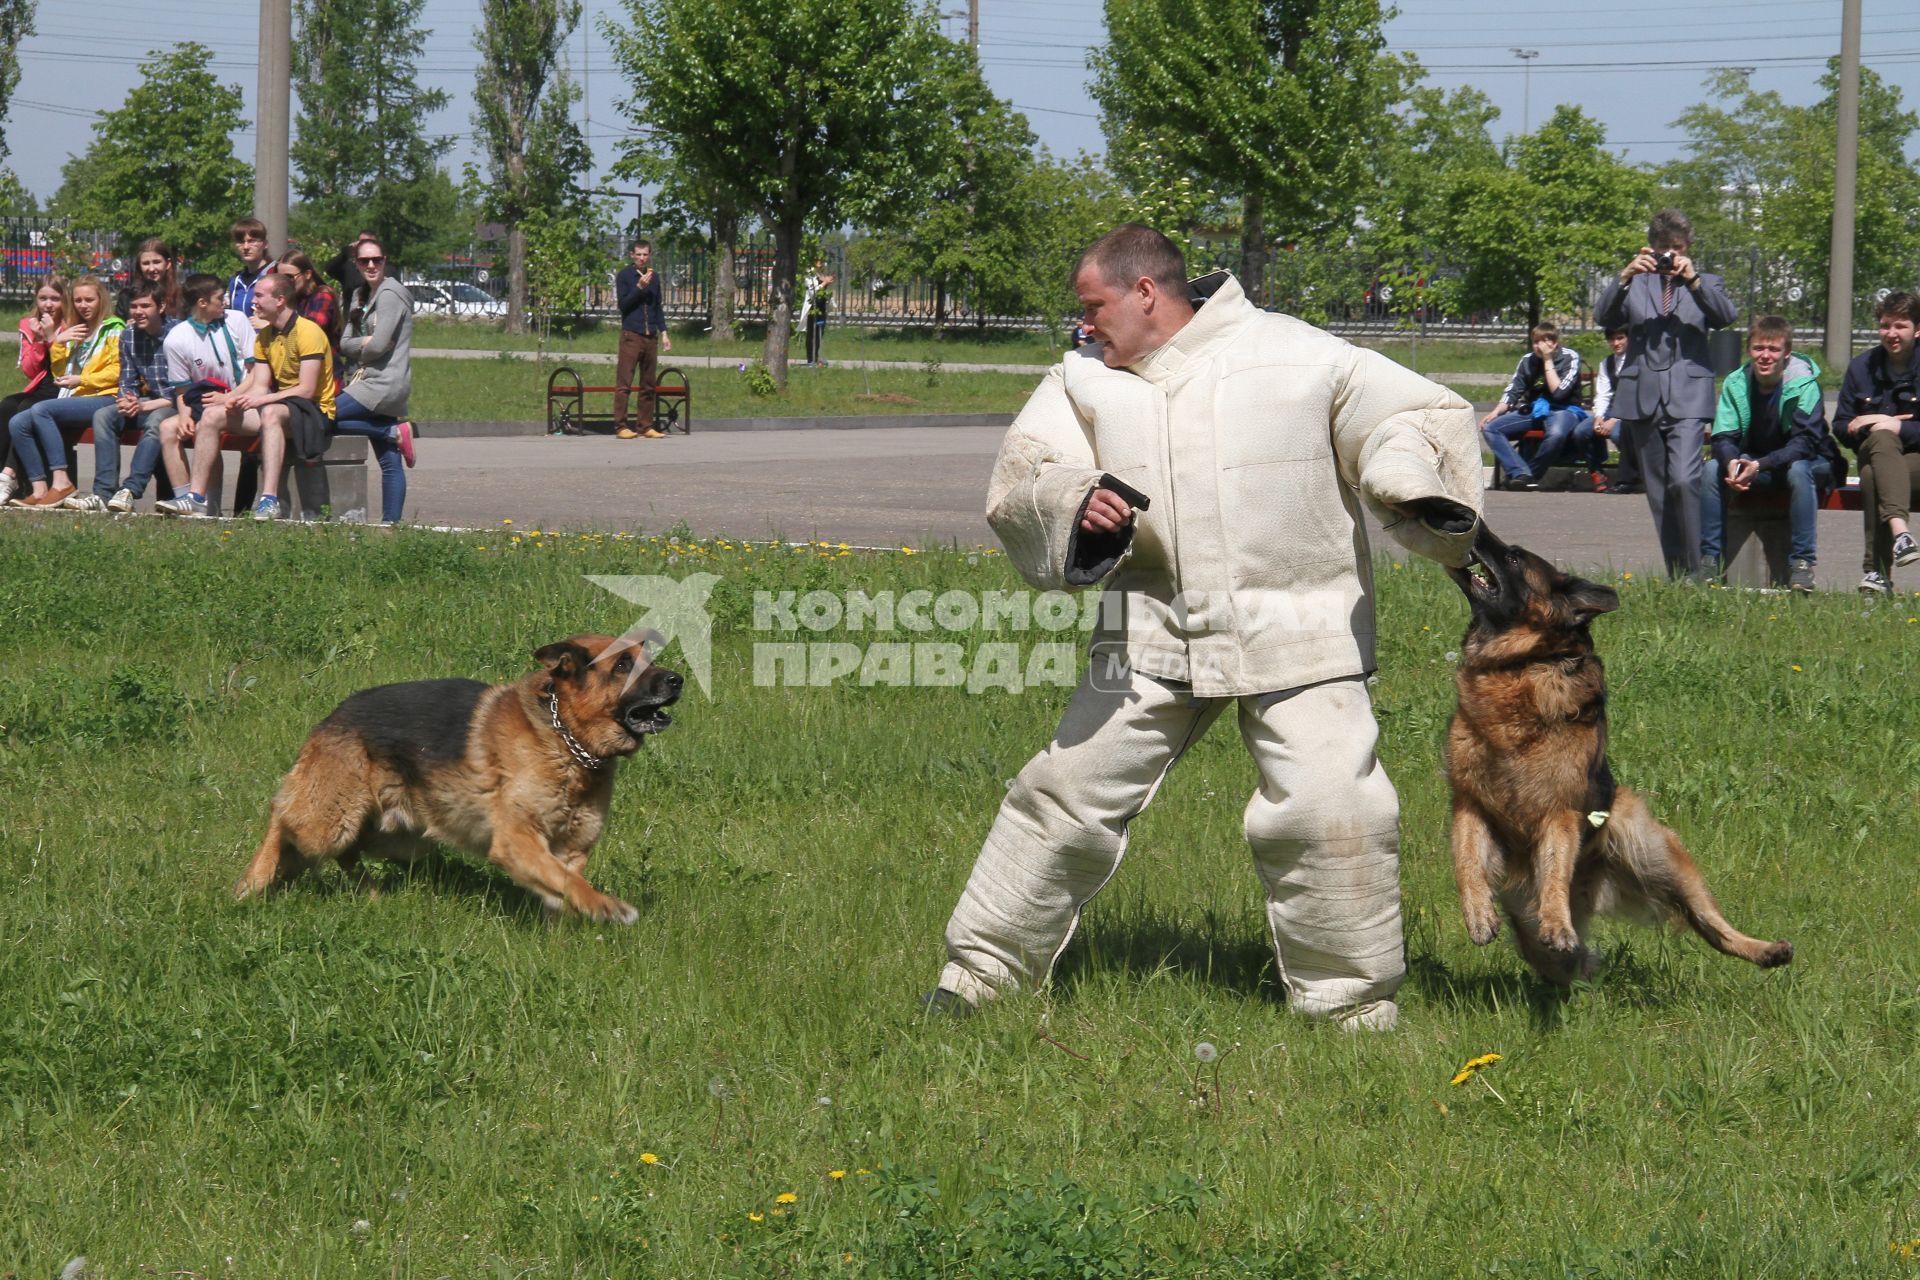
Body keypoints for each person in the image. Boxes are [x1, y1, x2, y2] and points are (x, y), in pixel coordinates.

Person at [928, 225, 1484, 1031]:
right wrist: (1077, 502)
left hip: (1300, 631)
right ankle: (978, 977)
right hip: (1146, 633)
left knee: (1334, 810)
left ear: (1146, 293)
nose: (1086, 328)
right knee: (1064, 794)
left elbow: (1418, 414)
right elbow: (1028, 470)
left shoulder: (1305, 358)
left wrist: (1405, 477)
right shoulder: (1083, 379)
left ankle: (1349, 1011)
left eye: (1095, 307)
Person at [1594, 208, 1737, 578]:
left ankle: (1702, 567)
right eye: (1665, 249)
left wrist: (1693, 282)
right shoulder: (1635, 283)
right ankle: (1678, 574)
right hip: (1642, 395)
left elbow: (1725, 317)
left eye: (1679, 248)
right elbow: (1604, 317)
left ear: (1688, 248)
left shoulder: (1707, 281)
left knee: (1685, 479)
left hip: (1689, 394)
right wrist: (1624, 277)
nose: (1672, 256)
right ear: (1650, 248)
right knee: (1658, 490)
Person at [159, 272, 333, 521]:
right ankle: (196, 497)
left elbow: (306, 390)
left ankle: (269, 500)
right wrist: (235, 400)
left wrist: (260, 400)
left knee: (271, 412)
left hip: (313, 410)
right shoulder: (264, 337)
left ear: (280, 300)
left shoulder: (308, 332)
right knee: (211, 415)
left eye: (259, 296)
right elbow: (260, 385)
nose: (253, 302)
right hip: (282, 405)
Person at [1698, 317, 1842, 592]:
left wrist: (1760, 465)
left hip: (1810, 463)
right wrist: (1731, 463)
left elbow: (1806, 443)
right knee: (1709, 470)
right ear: (1749, 350)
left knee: (1799, 469)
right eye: (1758, 348)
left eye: (1773, 349)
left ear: (1787, 353)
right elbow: (1723, 436)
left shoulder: (1805, 384)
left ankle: (1801, 564)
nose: (1765, 356)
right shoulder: (1735, 383)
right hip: (1756, 464)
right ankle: (1709, 562)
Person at [6, 275, 124, 508]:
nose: (83, 305)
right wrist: (56, 341)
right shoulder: (76, 328)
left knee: (41, 410)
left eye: (89, 300)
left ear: (101, 300)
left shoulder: (113, 327)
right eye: (78, 300)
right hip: (77, 397)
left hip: (105, 396)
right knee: (18, 422)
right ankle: (39, 488)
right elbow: (60, 373)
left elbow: (117, 372)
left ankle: (62, 482)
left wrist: (83, 379)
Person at [1833, 291, 1920, 596]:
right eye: (1885, 326)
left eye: (1900, 326)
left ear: (1917, 329)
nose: (1891, 334)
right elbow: (1841, 426)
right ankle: (1902, 534)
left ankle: (1876, 574)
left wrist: (1898, 426)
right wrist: (1868, 426)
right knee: (1881, 441)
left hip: (1916, 462)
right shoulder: (1862, 367)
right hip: (1874, 449)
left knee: (1872, 475)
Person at [70, 281, 179, 512]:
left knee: (157, 420)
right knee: (103, 416)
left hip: (177, 405)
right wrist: (128, 399)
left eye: (145, 306)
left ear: (161, 307)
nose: (138, 312)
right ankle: (102, 493)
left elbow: (181, 390)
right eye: (134, 306)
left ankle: (129, 490)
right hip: (144, 402)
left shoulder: (178, 334)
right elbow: (127, 380)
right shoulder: (129, 335)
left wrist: (141, 405)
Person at [155, 273, 256, 512]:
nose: (225, 302)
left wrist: (229, 397)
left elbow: (256, 373)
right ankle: (185, 501)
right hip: (206, 405)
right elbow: (182, 390)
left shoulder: (237, 320)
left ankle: (210, 506)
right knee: (168, 428)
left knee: (206, 426)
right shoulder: (177, 339)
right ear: (202, 303)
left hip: (245, 403)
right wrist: (183, 416)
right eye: (220, 298)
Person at [336, 236, 417, 523]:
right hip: (369, 380)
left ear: (385, 261)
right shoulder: (360, 295)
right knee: (390, 462)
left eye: (377, 260)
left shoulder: (390, 294)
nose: (371, 265)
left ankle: (390, 433)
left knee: (322, 416)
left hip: (382, 383)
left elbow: (380, 344)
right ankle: (390, 526)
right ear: (356, 264)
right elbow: (343, 342)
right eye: (364, 261)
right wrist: (364, 343)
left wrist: (364, 346)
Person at [1478, 322, 1603, 492]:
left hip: (1564, 410)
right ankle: (1520, 473)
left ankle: (1530, 475)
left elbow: (1559, 393)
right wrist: (1496, 411)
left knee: (1556, 434)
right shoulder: (1527, 360)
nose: (1539, 346)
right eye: (1536, 342)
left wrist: (1547, 360)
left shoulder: (1570, 357)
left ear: (1554, 343)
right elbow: (1514, 390)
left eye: (1544, 341)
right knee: (1491, 428)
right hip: (1535, 410)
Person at [0, 277, 71, 506]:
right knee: (7, 406)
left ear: (64, 300)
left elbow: (67, 363)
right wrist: (39, 340)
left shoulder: (71, 324)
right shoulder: (27, 325)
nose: (48, 304)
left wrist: (51, 337)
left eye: (54, 298)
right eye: (43, 298)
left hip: (63, 384)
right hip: (41, 383)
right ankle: (3, 474)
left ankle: (10, 474)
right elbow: (30, 371)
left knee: (24, 410)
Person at [613, 238, 672, 440]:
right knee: (624, 383)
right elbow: (623, 305)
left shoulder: (653, 278)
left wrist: (664, 332)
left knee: (648, 384)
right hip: (632, 335)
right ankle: (621, 426)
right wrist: (638, 287)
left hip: (650, 336)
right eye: (638, 254)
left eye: (645, 254)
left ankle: (645, 425)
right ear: (632, 255)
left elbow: (657, 307)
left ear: (649, 255)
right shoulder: (625, 276)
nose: (641, 258)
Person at [1589, 325, 1642, 494]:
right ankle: (1597, 472)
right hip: (1612, 409)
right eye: (1612, 339)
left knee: (1620, 433)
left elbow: (1637, 395)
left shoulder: (1638, 360)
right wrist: (1598, 417)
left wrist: (1614, 420)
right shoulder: (1607, 363)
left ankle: (1635, 475)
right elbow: (1603, 394)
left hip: (1632, 411)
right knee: (1582, 432)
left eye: (1620, 338)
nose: (1616, 343)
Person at [116, 238, 186, 321]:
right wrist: (125, 329)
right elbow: (117, 327)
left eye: (156, 262)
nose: (151, 268)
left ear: (168, 264)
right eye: (146, 263)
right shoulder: (126, 297)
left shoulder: (183, 296)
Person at [799, 258, 834, 366]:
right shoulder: (810, 274)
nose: (821, 262)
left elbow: (823, 289)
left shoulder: (821, 274)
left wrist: (827, 283)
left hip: (821, 306)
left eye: (822, 260)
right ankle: (811, 359)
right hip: (812, 307)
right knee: (812, 334)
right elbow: (812, 292)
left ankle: (816, 357)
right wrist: (824, 283)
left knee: (819, 333)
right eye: (818, 260)